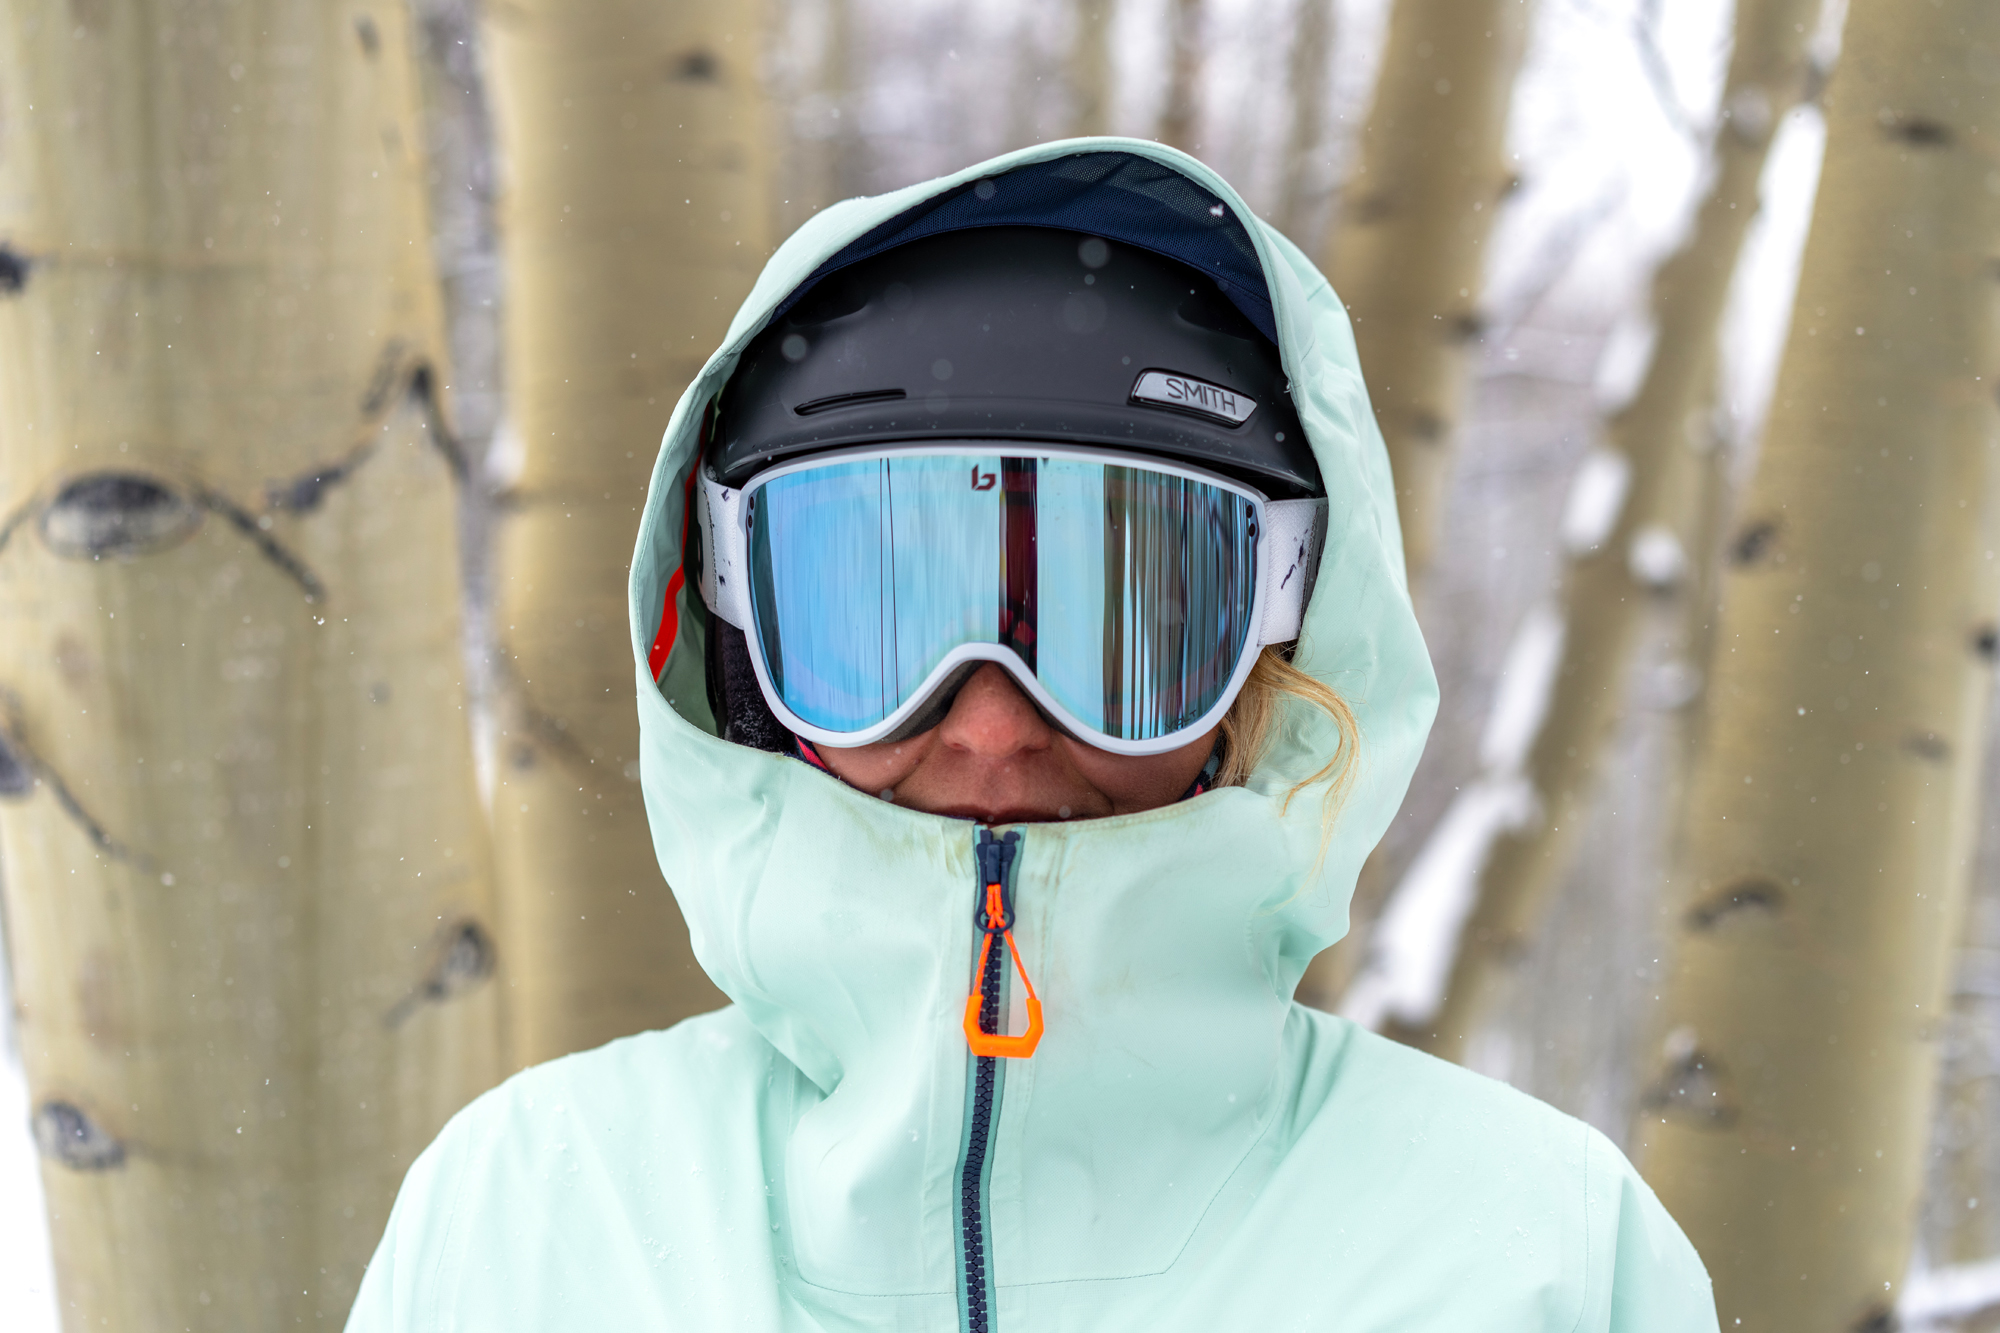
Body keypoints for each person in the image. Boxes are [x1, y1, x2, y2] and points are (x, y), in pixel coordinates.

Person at [346, 141, 1717, 1331]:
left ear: (1275, 648)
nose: (994, 723)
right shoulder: (526, 1219)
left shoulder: (1534, 1255)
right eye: (878, 612)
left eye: (1121, 621)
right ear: (743, 644)